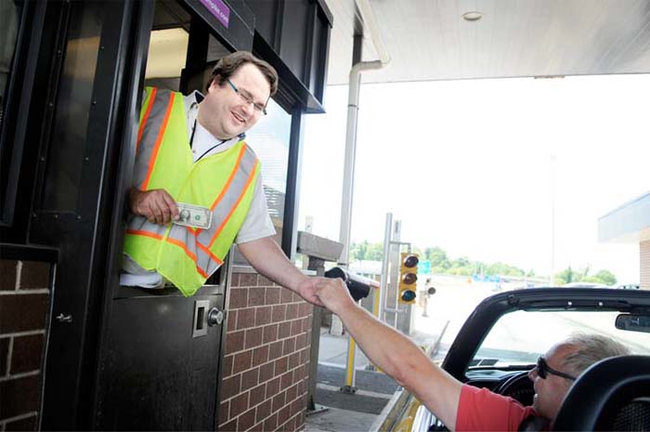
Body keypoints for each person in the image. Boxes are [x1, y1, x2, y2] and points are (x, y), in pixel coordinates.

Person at [120, 51, 322, 305]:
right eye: (244, 96)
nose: (248, 110)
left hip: (170, 299)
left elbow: (256, 240)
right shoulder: (149, 105)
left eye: (259, 106)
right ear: (215, 83)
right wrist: (132, 197)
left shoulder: (248, 167)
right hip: (101, 273)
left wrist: (301, 283)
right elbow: (89, 163)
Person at [314, 278, 631, 431]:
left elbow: (410, 369)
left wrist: (344, 305)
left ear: (582, 386)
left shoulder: (517, 425)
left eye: (543, 370)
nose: (531, 376)